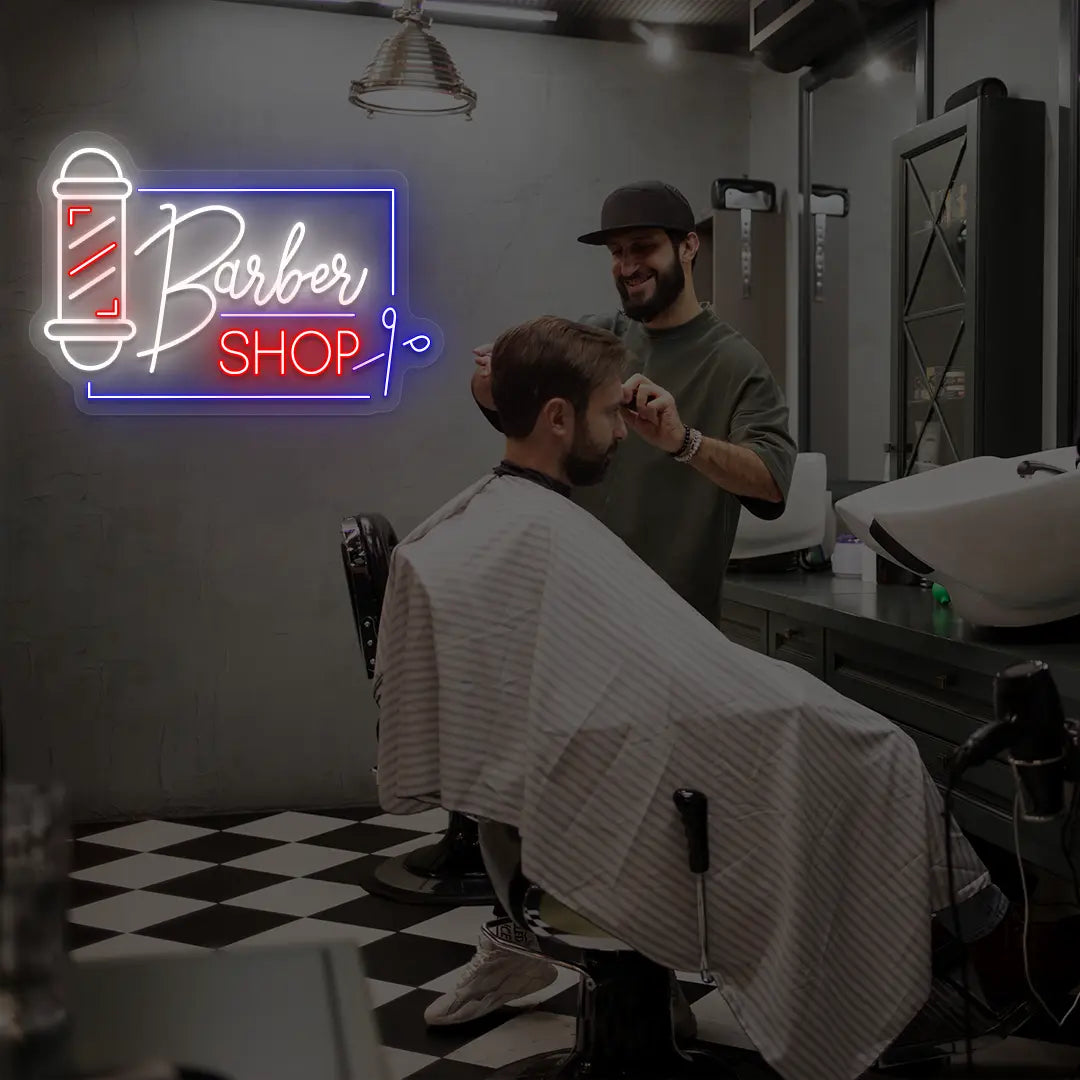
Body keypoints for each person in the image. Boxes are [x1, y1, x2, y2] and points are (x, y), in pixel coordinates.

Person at [375, 316, 1079, 1080]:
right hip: (615, 802)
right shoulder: (533, 533)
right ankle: (978, 977)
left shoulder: (486, 525)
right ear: (557, 419)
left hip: (542, 812)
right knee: (881, 754)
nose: (619, 433)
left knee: (832, 736)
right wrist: (804, 712)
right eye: (610, 414)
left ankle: (955, 976)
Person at [426, 181, 798, 1030]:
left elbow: (774, 481)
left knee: (644, 828)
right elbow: (523, 418)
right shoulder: (599, 345)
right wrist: (492, 388)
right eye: (617, 252)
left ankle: (649, 982)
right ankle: (519, 946)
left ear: (690, 246)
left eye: (645, 249)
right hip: (565, 617)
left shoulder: (733, 363)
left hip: (662, 630)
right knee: (512, 789)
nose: (629, 266)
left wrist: (686, 442)